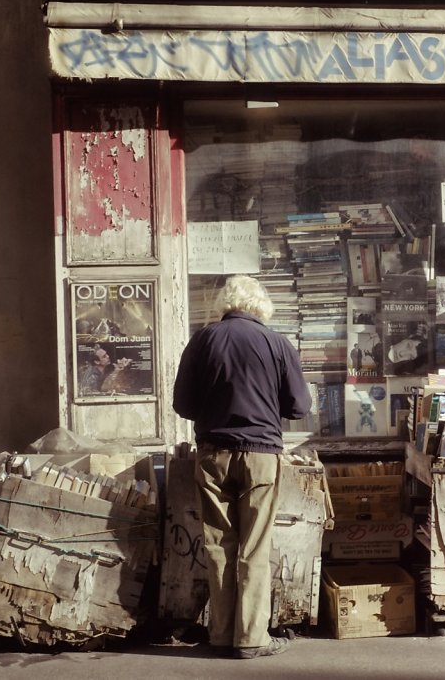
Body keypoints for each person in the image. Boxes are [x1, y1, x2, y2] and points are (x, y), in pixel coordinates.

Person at [173, 275, 312, 659]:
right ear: (261, 307)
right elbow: (299, 407)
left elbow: (183, 405)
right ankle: (251, 639)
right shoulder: (277, 343)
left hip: (213, 453)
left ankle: (220, 634)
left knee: (219, 547)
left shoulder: (203, 340)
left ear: (226, 303)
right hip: (261, 456)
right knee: (254, 548)